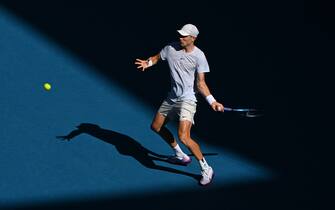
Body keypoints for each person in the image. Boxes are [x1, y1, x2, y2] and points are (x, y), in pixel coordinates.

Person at [135, 24, 224, 186]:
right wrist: (147, 64)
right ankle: (180, 156)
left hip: (188, 99)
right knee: (156, 127)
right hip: (172, 97)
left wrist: (212, 101)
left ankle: (206, 168)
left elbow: (201, 83)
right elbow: (156, 58)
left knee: (184, 136)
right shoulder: (170, 48)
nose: (180, 38)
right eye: (180, 35)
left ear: (193, 38)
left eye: (184, 36)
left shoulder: (199, 56)